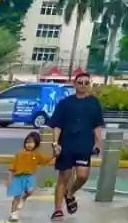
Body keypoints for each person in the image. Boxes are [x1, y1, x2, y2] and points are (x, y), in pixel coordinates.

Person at [47, 71, 105, 221]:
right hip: (66, 144)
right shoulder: (65, 103)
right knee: (63, 177)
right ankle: (58, 210)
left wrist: (99, 143)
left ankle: (70, 193)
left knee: (82, 176)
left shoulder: (94, 102)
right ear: (74, 84)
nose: (83, 85)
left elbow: (97, 125)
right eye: (80, 82)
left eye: (87, 82)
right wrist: (55, 143)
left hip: (85, 144)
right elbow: (57, 125)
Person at [5, 131, 53, 222]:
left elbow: (46, 160)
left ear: (36, 144)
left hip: (29, 177)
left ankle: (24, 198)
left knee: (30, 191)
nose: (29, 144)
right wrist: (9, 179)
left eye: (31, 142)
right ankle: (13, 213)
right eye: (27, 142)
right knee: (16, 196)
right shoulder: (19, 154)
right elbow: (12, 168)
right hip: (18, 177)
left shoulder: (37, 154)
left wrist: (55, 154)